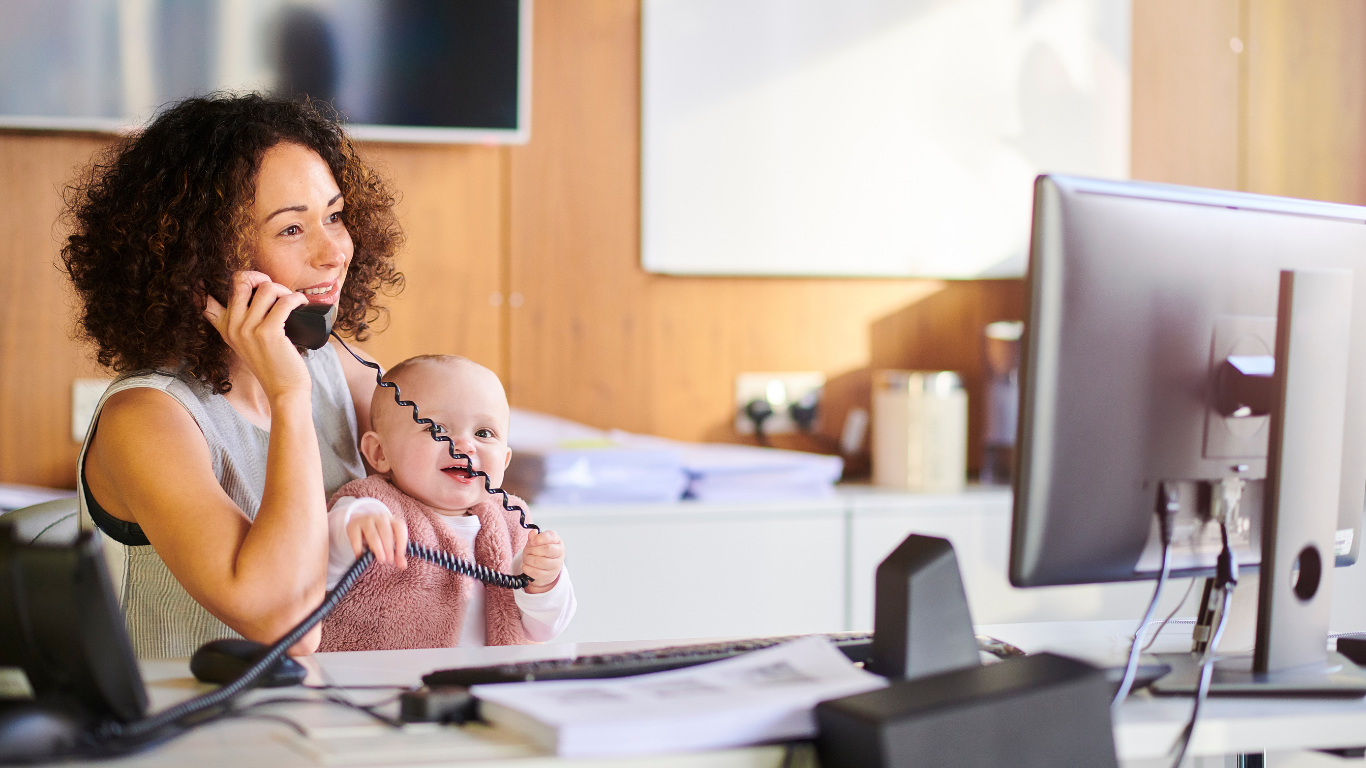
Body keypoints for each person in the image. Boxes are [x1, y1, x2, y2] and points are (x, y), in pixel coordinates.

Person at [61, 93, 404, 658]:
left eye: (335, 216)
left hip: (325, 717)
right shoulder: (146, 419)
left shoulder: (338, 372)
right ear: (203, 257)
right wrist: (290, 395)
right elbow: (286, 623)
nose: (334, 251)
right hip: (184, 735)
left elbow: (456, 508)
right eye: (292, 230)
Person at [319, 355, 575, 651]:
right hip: (384, 687)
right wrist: (352, 530)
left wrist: (544, 582)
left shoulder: (511, 524)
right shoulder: (372, 506)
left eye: (483, 433)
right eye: (437, 430)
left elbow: (544, 629)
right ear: (379, 453)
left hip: (482, 689)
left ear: (504, 462)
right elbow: (315, 568)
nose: (465, 446)